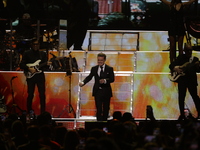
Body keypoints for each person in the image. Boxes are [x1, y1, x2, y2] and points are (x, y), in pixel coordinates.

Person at [79, 52, 115, 121]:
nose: (99, 61)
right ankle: (99, 122)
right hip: (97, 91)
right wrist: (83, 82)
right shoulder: (94, 68)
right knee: (98, 108)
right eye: (98, 60)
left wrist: (104, 80)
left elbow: (112, 79)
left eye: (101, 60)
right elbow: (89, 77)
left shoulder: (109, 68)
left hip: (106, 91)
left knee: (106, 108)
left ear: (104, 60)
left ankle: (105, 122)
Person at [20, 39, 51, 116]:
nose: (35, 46)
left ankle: (43, 113)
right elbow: (21, 64)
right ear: (31, 45)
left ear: (39, 45)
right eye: (34, 44)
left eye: (37, 44)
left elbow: (45, 66)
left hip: (40, 76)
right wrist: (29, 69)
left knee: (42, 94)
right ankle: (29, 111)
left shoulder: (43, 54)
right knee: (30, 94)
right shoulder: (27, 53)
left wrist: (47, 64)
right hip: (31, 77)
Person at [169, 43, 200, 120]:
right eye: (188, 50)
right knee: (181, 98)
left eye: (190, 50)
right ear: (184, 50)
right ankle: (182, 115)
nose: (189, 52)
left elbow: (198, 70)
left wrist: (197, 67)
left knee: (195, 97)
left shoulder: (195, 59)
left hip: (191, 81)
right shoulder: (181, 58)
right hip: (182, 81)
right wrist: (176, 68)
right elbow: (171, 65)